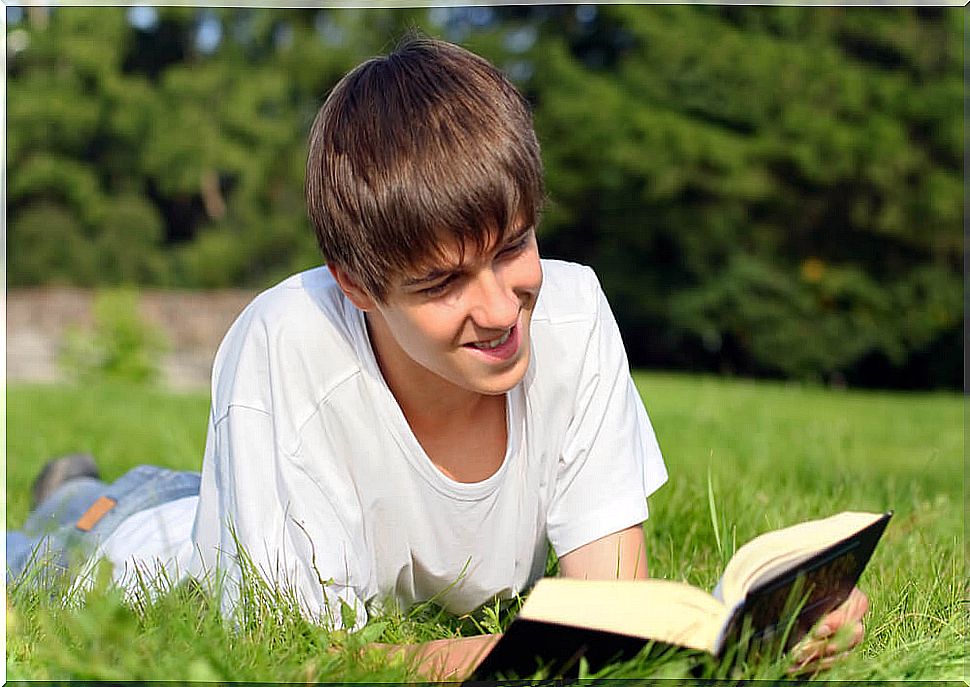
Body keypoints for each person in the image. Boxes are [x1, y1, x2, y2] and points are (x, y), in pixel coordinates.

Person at [6, 36, 868, 679]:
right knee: (61, 541)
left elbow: (614, 602)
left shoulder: (572, 313)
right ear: (356, 284)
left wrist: (762, 638)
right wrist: (515, 656)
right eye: (443, 282)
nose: (499, 309)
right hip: (133, 545)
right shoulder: (286, 344)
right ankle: (73, 489)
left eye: (514, 247)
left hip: (252, 499)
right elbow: (298, 660)